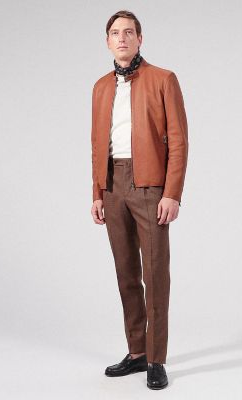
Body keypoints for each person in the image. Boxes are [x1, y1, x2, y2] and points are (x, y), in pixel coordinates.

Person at [90, 9, 189, 390]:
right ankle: (136, 353)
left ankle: (156, 358)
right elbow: (97, 144)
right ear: (107, 41)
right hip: (113, 185)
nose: (122, 38)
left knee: (155, 274)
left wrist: (172, 193)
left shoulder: (163, 79)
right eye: (115, 33)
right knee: (126, 272)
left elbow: (178, 140)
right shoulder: (101, 87)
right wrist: (97, 191)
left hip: (150, 185)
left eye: (129, 32)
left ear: (140, 39)